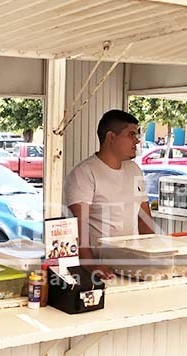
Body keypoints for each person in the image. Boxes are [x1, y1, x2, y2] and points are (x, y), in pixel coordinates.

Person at [64, 109, 154, 278]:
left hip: (134, 263)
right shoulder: (85, 173)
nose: (137, 141)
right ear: (111, 137)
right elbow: (78, 227)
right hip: (102, 266)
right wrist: (90, 265)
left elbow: (144, 219)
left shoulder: (134, 170)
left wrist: (153, 256)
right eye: (131, 135)